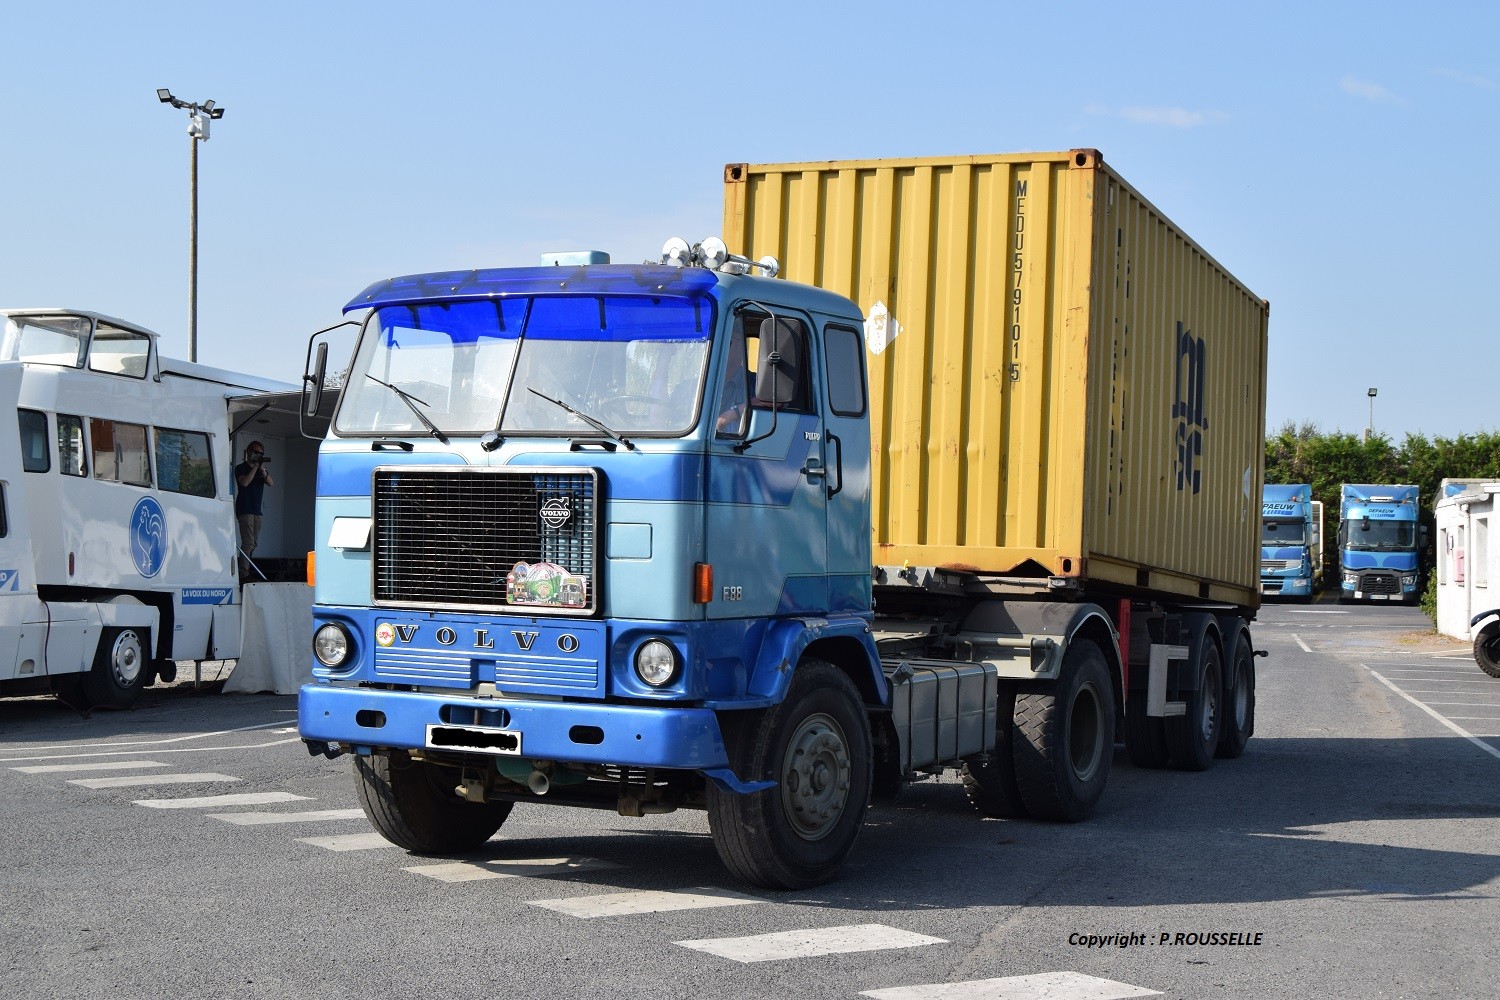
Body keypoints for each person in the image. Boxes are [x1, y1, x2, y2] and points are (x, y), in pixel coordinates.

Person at [234, 441, 275, 576]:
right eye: (256, 452)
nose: (259, 455)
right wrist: (255, 466)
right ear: (249, 452)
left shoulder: (260, 470)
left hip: (257, 510)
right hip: (245, 509)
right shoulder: (241, 468)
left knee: (253, 543)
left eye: (261, 453)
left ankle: (246, 568)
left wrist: (261, 468)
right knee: (248, 542)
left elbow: (271, 483)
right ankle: (243, 572)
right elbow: (244, 483)